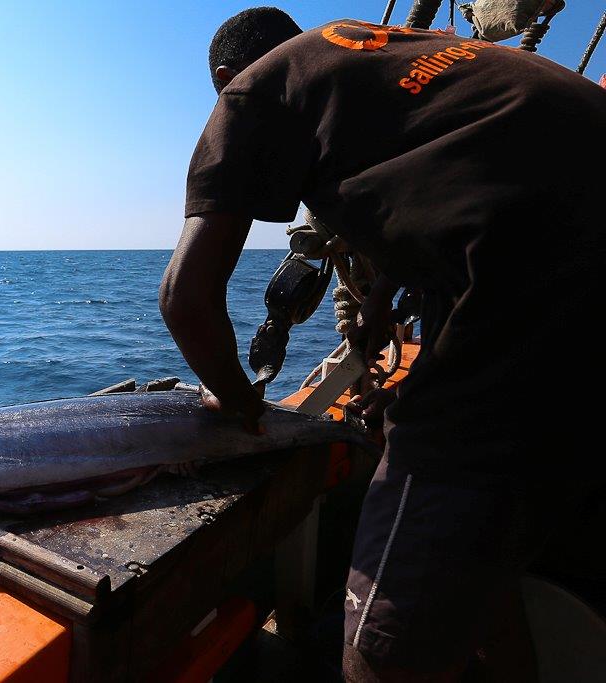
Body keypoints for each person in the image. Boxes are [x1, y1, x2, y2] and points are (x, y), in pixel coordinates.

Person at [159, 7, 606, 681]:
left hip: (535, 254)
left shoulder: (251, 87)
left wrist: (241, 409)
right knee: (480, 535)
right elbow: (449, 165)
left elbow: (185, 300)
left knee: (385, 637)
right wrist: (377, 294)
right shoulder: (380, 51)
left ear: (223, 76)